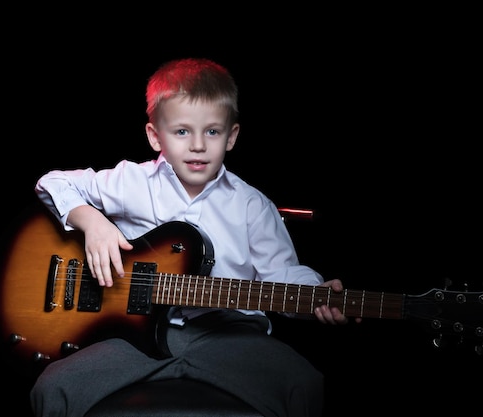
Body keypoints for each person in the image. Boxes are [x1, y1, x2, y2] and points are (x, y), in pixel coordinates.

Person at [30, 57, 351, 417]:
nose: (198, 145)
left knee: (303, 386)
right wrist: (91, 221)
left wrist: (317, 294)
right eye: (182, 131)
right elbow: (52, 182)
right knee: (53, 388)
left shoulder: (252, 205)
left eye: (212, 131)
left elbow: (282, 274)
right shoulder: (131, 181)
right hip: (132, 338)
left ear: (231, 136)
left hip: (226, 336)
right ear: (155, 136)